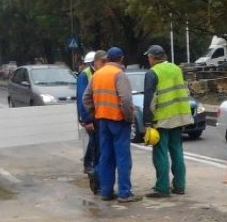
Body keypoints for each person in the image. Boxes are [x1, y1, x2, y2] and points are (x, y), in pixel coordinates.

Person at [83, 47, 140, 203]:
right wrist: (129, 118)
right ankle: (125, 193)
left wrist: (94, 114)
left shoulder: (97, 75)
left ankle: (106, 192)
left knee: (106, 157)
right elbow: (126, 100)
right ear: (121, 59)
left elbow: (86, 98)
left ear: (107, 59)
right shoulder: (119, 74)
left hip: (103, 121)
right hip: (119, 121)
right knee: (122, 157)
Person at [142, 44, 194, 198]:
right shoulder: (176, 69)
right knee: (177, 151)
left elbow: (149, 99)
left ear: (152, 58)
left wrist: (147, 122)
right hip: (179, 116)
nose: (148, 59)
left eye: (149, 57)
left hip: (162, 118)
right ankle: (179, 185)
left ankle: (162, 187)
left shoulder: (152, 73)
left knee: (160, 153)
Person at [76, 49, 108, 189]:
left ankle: (93, 171)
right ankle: (95, 178)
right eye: (103, 62)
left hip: (102, 117)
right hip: (92, 118)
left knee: (98, 147)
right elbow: (82, 99)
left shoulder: (103, 73)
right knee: (97, 148)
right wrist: (87, 120)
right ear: (95, 62)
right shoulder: (85, 75)